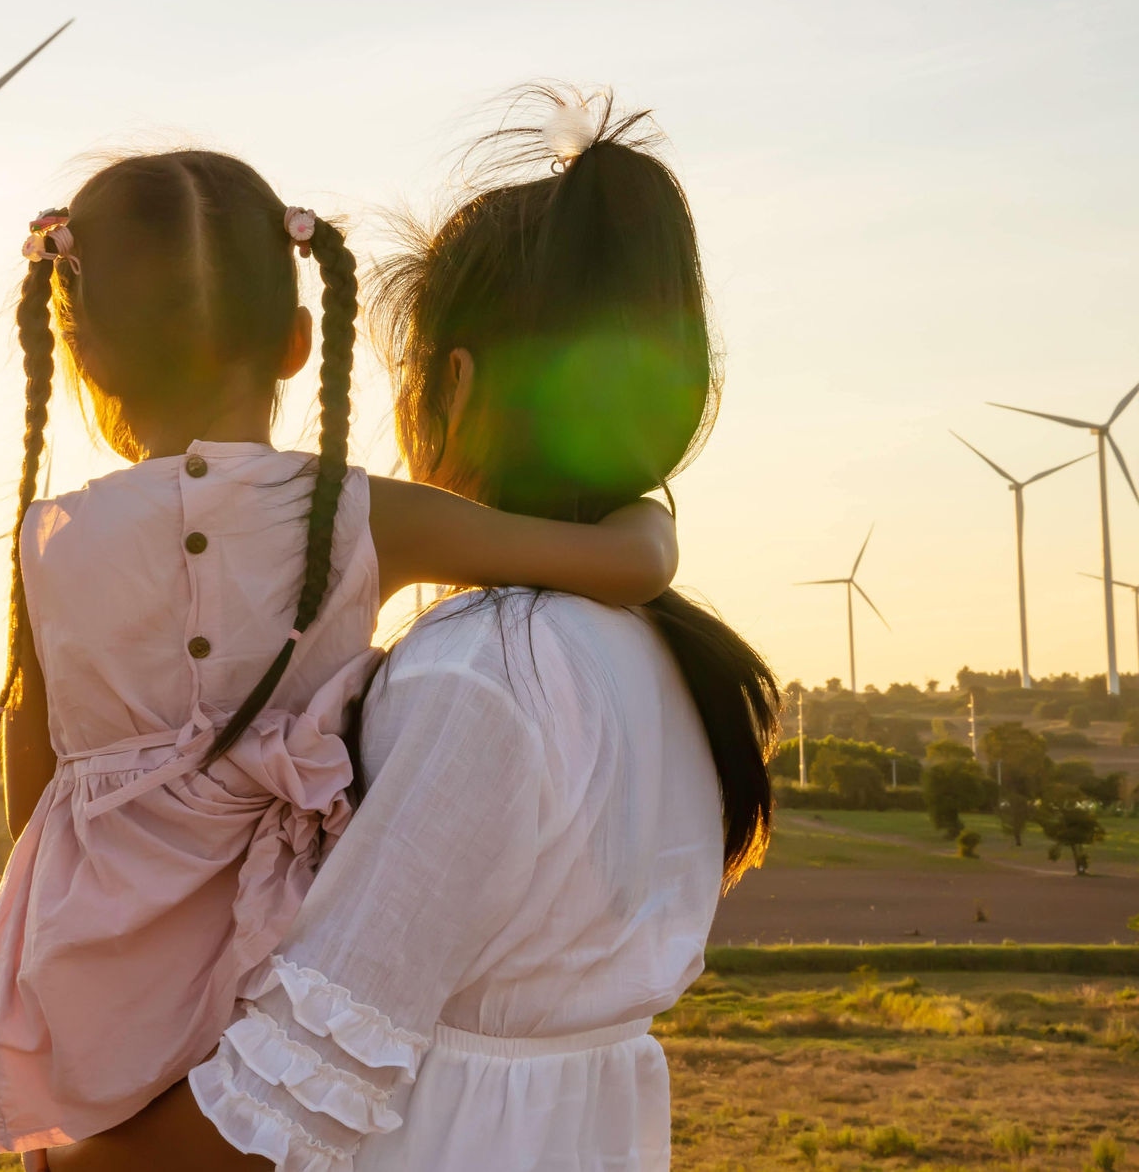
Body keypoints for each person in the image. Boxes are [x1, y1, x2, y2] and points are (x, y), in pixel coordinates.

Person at [46, 87, 781, 1171]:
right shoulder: (662, 657)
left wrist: (69, 1159)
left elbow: (297, 1081)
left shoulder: (481, 673)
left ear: (456, 385)